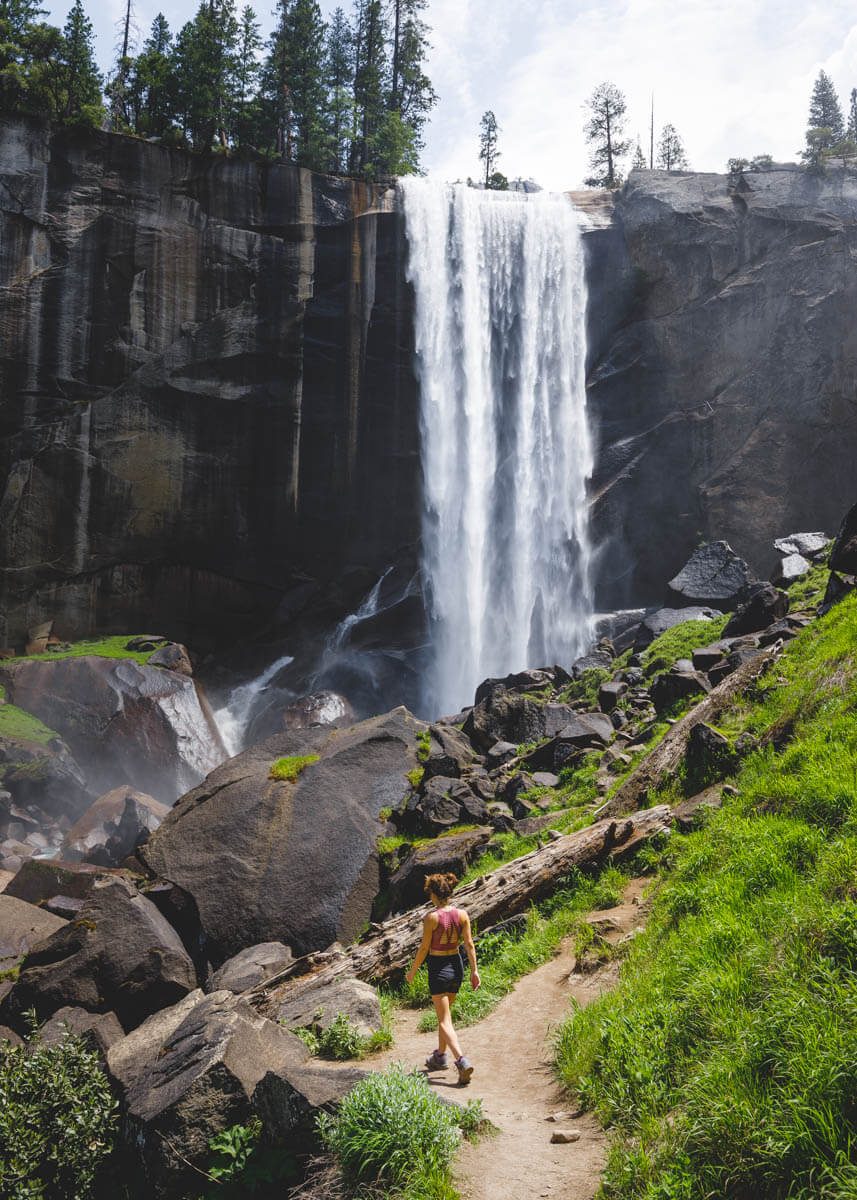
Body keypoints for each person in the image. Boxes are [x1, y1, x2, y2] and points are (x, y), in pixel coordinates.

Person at [405, 871, 480, 1085]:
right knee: (445, 1016)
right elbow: (469, 944)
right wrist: (474, 971)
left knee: (443, 1019)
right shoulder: (462, 915)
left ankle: (462, 1060)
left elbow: (424, 948)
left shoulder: (431, 918)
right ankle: (439, 1056)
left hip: (438, 969)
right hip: (457, 967)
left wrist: (412, 971)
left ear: (434, 895)